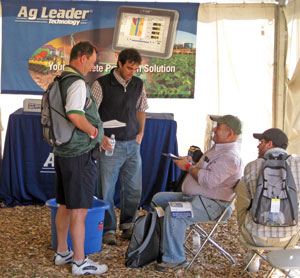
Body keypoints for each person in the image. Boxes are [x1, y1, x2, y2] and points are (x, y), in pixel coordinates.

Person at [151, 114, 243, 272]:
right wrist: (191, 163)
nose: (213, 129)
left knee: (174, 213)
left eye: (218, 127)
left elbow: (208, 180)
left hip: (213, 205)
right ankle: (160, 244)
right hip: (197, 199)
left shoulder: (230, 157)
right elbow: (204, 169)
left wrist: (187, 167)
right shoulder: (218, 150)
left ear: (230, 133)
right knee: (159, 200)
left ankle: (175, 259)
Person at [53, 41, 108, 275]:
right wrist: (94, 132)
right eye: (93, 61)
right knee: (80, 210)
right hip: (78, 154)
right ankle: (79, 261)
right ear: (83, 58)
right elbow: (75, 115)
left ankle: (62, 251)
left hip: (64, 152)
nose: (92, 67)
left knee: (64, 205)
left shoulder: (60, 79)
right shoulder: (77, 82)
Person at [91, 48, 149, 245]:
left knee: (133, 188)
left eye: (135, 68)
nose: (132, 72)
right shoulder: (100, 84)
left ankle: (127, 225)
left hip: (133, 144)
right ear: (120, 64)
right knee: (106, 189)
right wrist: (100, 137)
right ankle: (108, 229)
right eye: (129, 68)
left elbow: (142, 108)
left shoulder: (139, 84)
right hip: (109, 144)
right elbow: (91, 114)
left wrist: (141, 133)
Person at [236, 128, 300, 271]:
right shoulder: (298, 164)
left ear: (270, 144)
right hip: (289, 238)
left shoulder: (252, 166)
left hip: (255, 237)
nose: (258, 146)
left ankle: (253, 258)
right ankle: (285, 261)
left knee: (243, 194)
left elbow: (245, 205)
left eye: (261, 142)